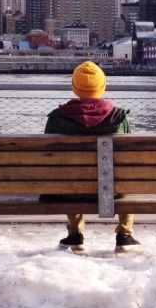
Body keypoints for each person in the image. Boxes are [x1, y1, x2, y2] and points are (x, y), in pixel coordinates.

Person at [44, 61, 139, 253]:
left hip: (71, 190)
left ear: (74, 87)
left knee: (67, 175)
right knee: (127, 177)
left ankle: (74, 235)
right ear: (103, 86)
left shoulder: (57, 118)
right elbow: (129, 159)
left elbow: (49, 159)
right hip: (113, 191)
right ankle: (124, 235)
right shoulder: (119, 117)